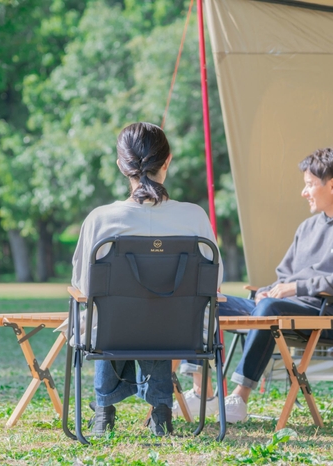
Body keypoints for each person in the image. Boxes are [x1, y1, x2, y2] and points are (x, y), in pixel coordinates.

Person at [176, 147, 333, 423]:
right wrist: (270, 288)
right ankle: (203, 393)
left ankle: (239, 396)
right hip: (280, 307)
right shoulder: (308, 228)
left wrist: (295, 289)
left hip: (328, 314)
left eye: (310, 185)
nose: (304, 192)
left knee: (270, 307)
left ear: (332, 185)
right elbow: (285, 277)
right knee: (206, 300)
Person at [70, 122, 223, 437]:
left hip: (113, 333)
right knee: (157, 314)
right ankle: (161, 411)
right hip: (182, 332)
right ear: (167, 162)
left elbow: (85, 287)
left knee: (110, 310)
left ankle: (103, 412)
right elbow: (214, 282)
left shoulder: (100, 220)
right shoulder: (195, 217)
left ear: (120, 166)